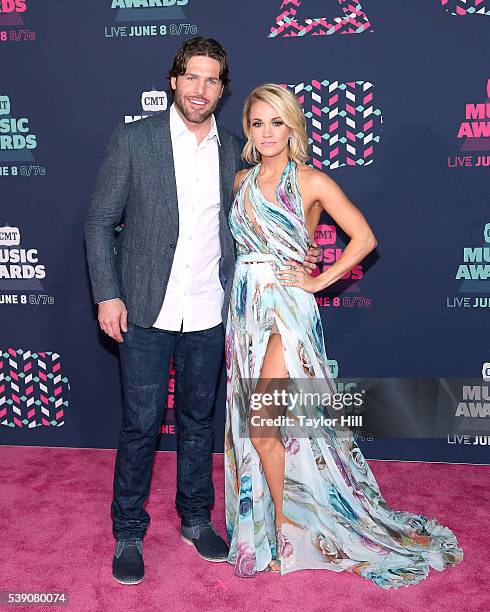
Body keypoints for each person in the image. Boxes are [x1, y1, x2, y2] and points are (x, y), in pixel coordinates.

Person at [85, 39, 320, 585]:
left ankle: (196, 519)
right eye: (192, 77)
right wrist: (108, 293)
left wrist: (301, 254)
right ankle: (128, 531)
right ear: (174, 80)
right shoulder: (134, 139)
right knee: (140, 425)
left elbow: (265, 221)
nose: (200, 89)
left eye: (212, 80)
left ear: (222, 88)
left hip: (214, 312)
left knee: (197, 422)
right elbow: (99, 222)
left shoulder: (237, 153)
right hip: (144, 309)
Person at [224, 83, 464, 587]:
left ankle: (282, 536)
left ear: (293, 126)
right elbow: (244, 246)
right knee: (255, 430)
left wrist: (315, 278)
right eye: (258, 123)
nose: (268, 133)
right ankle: (269, 528)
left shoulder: (310, 180)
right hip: (243, 310)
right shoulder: (241, 180)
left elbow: (365, 237)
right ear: (248, 130)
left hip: (286, 312)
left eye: (277, 122)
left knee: (265, 426)